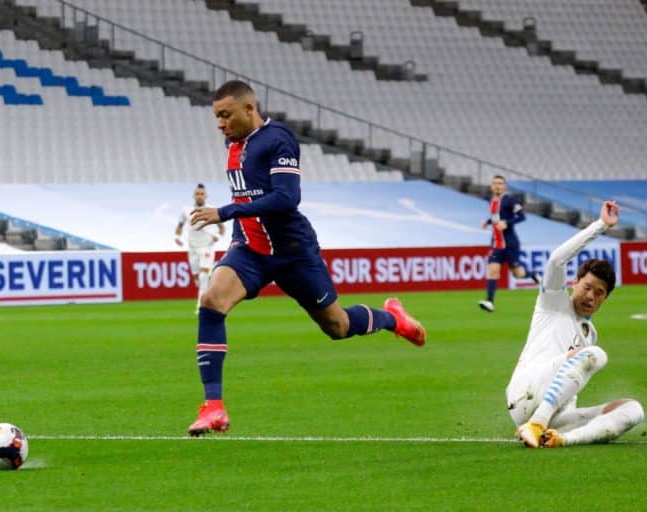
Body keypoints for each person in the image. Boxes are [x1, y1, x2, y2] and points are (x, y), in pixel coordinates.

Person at [186, 80, 427, 436]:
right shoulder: (232, 142)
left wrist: (226, 211)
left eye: (226, 115)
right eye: (216, 117)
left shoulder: (278, 140)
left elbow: (287, 198)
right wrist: (238, 219)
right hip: (250, 249)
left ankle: (392, 318)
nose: (220, 124)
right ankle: (213, 408)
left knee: (337, 326)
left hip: (293, 252)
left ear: (249, 109)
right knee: (211, 301)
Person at [508, 200, 644, 448]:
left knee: (634, 410)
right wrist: (601, 225)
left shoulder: (589, 333)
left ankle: (561, 439)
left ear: (606, 298)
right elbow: (556, 261)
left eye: (599, 292)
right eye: (587, 287)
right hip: (525, 392)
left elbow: (570, 386)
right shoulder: (553, 302)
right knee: (595, 355)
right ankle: (536, 423)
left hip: (555, 412)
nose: (591, 296)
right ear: (575, 282)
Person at [479, 175, 539, 313]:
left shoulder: (510, 200)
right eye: (495, 183)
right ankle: (489, 302)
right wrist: (488, 222)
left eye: (500, 183)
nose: (497, 186)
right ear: (491, 186)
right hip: (496, 243)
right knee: (493, 270)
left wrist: (507, 223)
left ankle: (532, 274)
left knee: (517, 274)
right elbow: (496, 218)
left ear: (504, 186)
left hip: (510, 243)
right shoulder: (492, 201)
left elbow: (522, 216)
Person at [175, 183, 225, 313]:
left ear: (206, 196)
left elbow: (222, 228)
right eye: (197, 194)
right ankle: (208, 292)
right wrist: (177, 237)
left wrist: (217, 237)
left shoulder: (212, 210)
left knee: (203, 276)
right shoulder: (186, 211)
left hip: (207, 246)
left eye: (202, 194)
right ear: (194, 196)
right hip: (192, 247)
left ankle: (201, 306)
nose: (199, 196)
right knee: (197, 278)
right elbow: (180, 226)